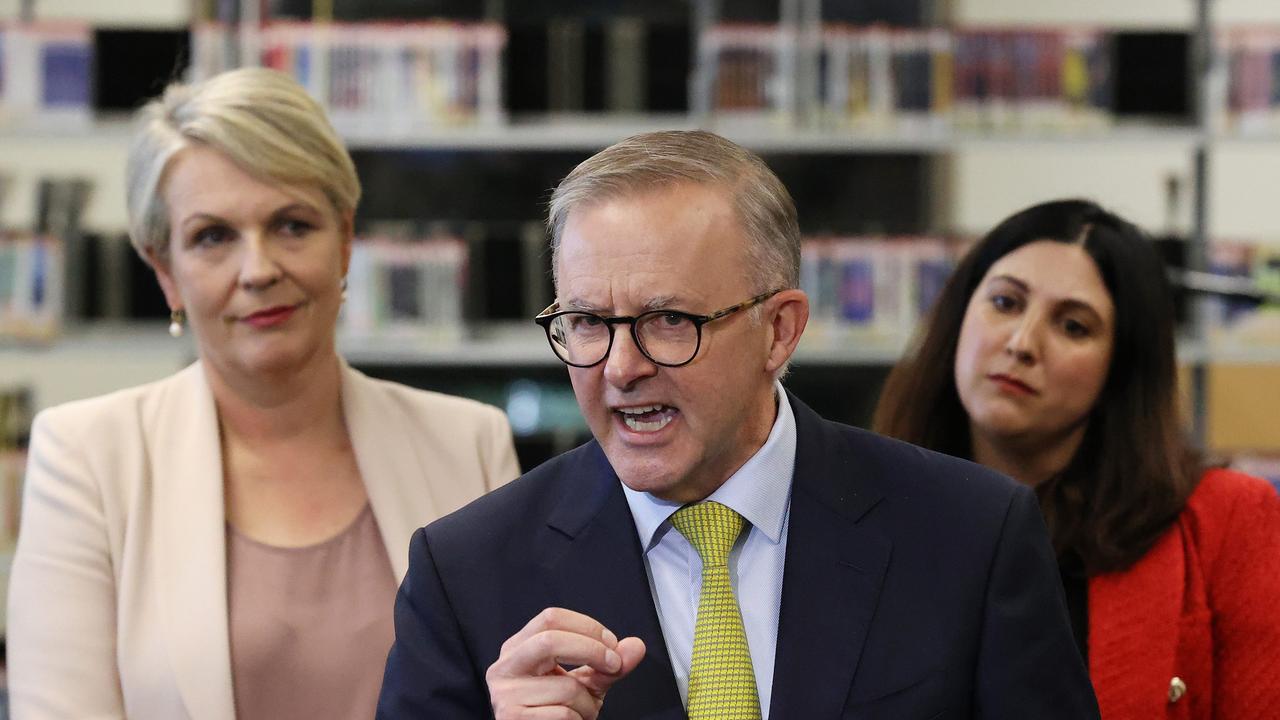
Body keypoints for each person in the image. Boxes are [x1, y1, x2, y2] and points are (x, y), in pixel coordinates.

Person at [377, 130, 1100, 719]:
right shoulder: (466, 572)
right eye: (588, 322)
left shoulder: (971, 533)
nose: (621, 367)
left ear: (779, 331)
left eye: (668, 320)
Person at [7, 67, 520, 720]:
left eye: (292, 225)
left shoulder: (466, 444)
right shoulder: (87, 459)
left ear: (345, 241)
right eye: (213, 237)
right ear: (165, 272)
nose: (259, 270)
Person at [874, 198, 1280, 718]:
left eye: (1073, 327)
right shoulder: (865, 504)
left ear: (1121, 368)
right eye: (1005, 302)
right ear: (958, 315)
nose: (1022, 344)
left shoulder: (1226, 518)